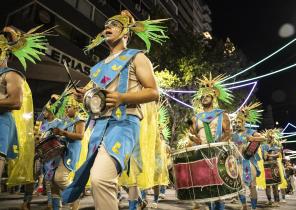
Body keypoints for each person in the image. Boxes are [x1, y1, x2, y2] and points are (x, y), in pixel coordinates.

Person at [62, 10, 168, 210]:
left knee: (101, 179)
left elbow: (154, 92)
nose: (106, 27)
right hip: (99, 126)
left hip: (124, 123)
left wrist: (123, 98)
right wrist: (81, 95)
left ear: (126, 33)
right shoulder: (100, 67)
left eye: (113, 25)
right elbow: (92, 95)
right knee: (97, 182)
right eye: (106, 25)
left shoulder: (137, 58)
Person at [0, 25, 49, 210]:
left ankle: (29, 201)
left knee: (37, 175)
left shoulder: (11, 75)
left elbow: (15, 102)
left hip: (2, 135)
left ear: (6, 54)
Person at [188, 73, 234, 210]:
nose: (204, 98)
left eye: (207, 96)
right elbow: (190, 133)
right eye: (202, 96)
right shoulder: (195, 117)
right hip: (202, 154)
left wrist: (218, 144)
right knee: (207, 187)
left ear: (213, 98)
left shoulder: (222, 114)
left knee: (219, 187)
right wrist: (196, 141)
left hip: (218, 153)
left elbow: (229, 132)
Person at [232, 102, 265, 210]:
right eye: (235, 122)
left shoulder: (251, 131)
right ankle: (244, 206)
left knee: (252, 186)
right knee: (239, 186)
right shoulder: (233, 135)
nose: (237, 124)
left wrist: (251, 138)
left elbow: (262, 138)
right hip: (237, 163)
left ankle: (254, 208)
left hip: (248, 162)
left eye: (239, 122)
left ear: (244, 122)